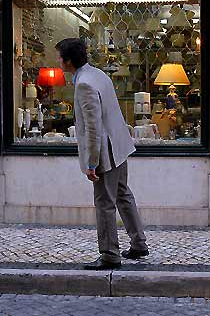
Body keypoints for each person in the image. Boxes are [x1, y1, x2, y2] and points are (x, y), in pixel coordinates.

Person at [56, 38, 149, 270]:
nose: (58, 61)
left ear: (68, 61)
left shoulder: (84, 84)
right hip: (120, 145)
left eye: (59, 58)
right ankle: (138, 243)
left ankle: (109, 254)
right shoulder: (97, 74)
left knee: (105, 202)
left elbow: (93, 127)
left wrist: (91, 162)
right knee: (123, 195)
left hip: (106, 150)